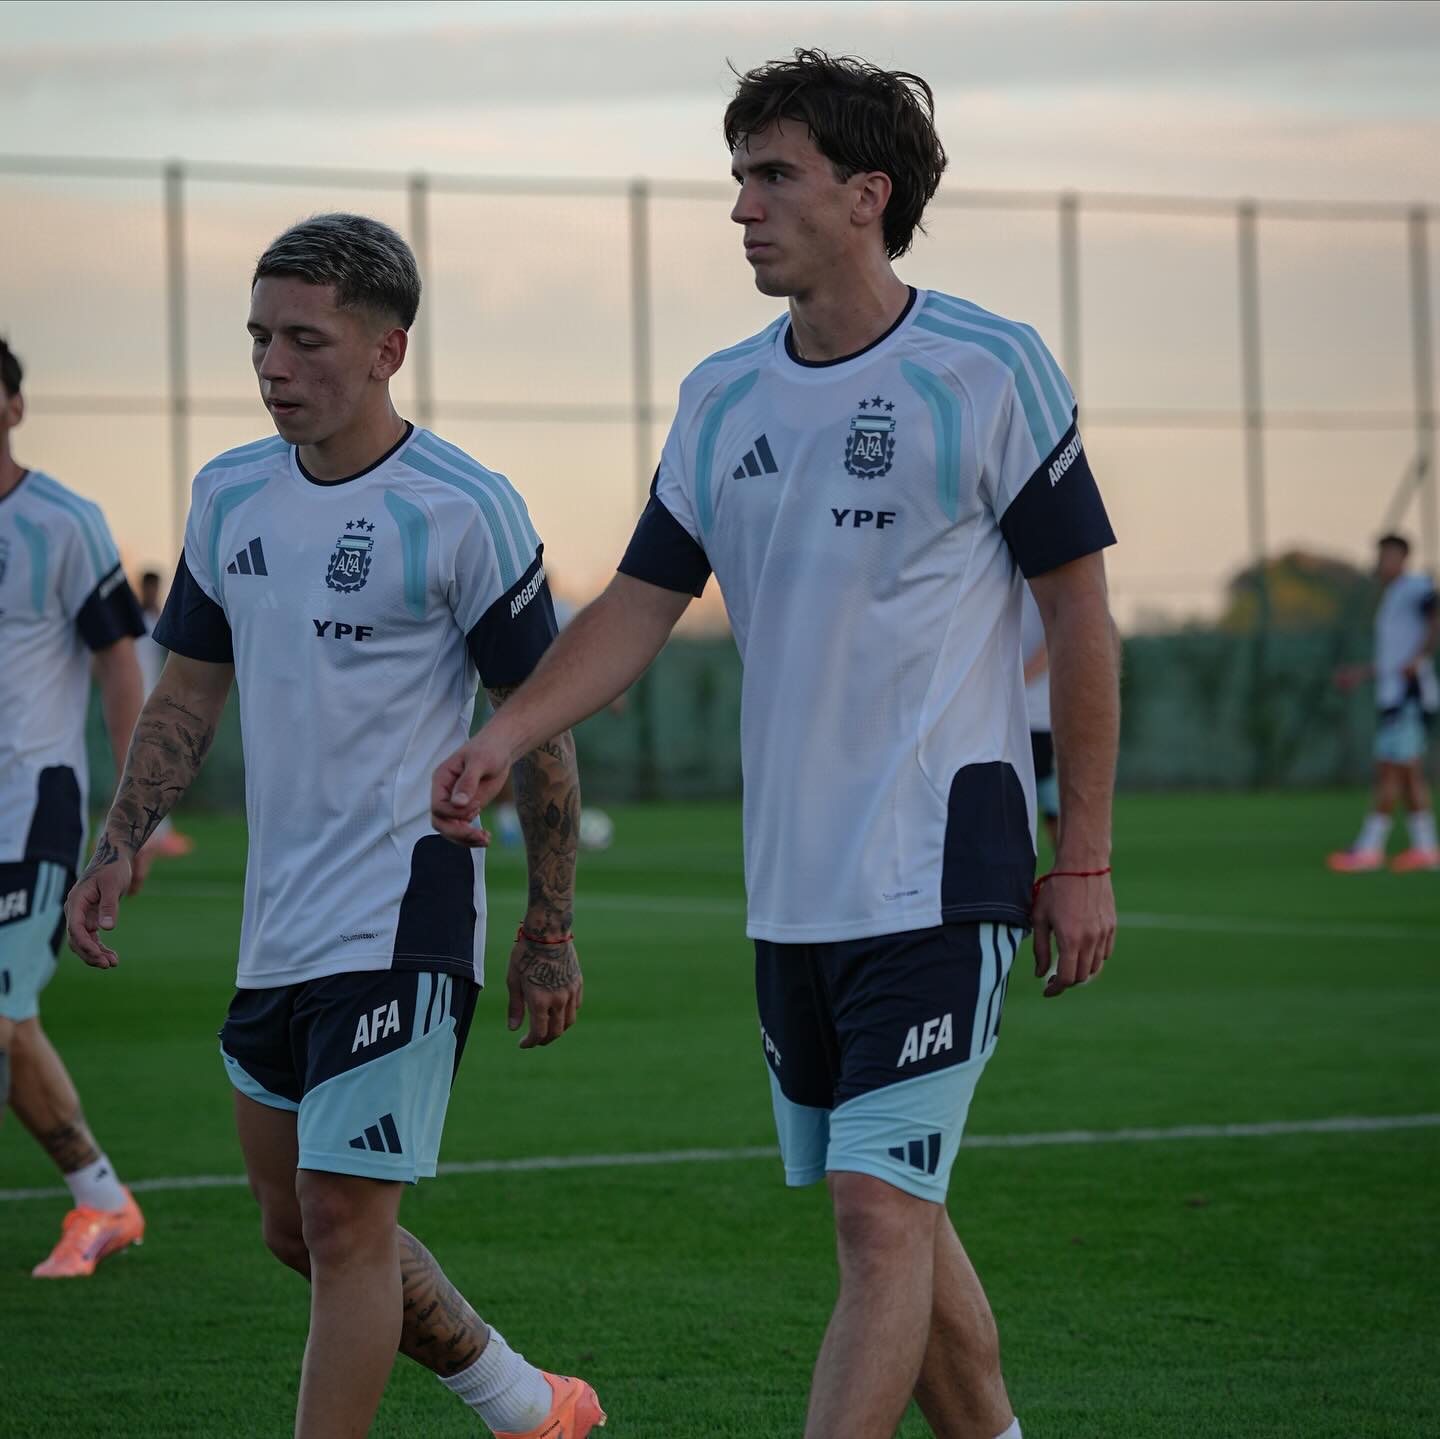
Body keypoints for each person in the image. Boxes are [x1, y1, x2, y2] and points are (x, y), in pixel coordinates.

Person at [432, 51, 1120, 1439]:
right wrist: (505, 728)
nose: (742, 206)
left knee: (877, 1217)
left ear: (868, 195)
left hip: (944, 864)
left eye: (773, 175)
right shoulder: (719, 397)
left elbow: (1081, 614)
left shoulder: (986, 367)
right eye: (737, 176)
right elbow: (637, 606)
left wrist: (1085, 853)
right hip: (792, 888)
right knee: (897, 1212)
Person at [65, 216, 605, 1439]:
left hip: (406, 909)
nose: (274, 365)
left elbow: (542, 725)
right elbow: (190, 688)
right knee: (290, 1225)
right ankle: (522, 1401)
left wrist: (550, 921)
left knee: (344, 1217)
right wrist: (119, 841)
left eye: (306, 339)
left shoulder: (463, 507)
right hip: (280, 923)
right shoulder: (227, 495)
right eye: (260, 336)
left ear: (385, 349)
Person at [0, 335, 149, 1277]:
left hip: (32, 805)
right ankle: (101, 1199)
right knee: (12, 1023)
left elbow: (119, 666)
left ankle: (102, 1202)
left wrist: (132, 819)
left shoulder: (62, 523)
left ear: (14, 406)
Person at [1328, 533, 1439, 872]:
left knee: (1390, 770)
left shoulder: (1414, 587)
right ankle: (1425, 848)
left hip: (1409, 695)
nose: (1380, 563)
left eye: (1386, 556)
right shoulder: (1392, 596)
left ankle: (1369, 848)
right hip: (1396, 694)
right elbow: (1395, 657)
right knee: (1406, 775)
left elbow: (1436, 617)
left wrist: (1418, 659)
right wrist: (1362, 673)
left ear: (1402, 557)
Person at [134, 568, 194, 859]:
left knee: (157, 766)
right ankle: (144, 834)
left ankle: (157, 832)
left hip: (156, 702)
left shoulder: (158, 619)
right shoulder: (132, 620)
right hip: (135, 705)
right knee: (137, 767)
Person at [1020, 582, 1059, 849]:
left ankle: (1068, 870)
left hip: (1037, 716)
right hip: (1001, 715)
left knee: (1049, 800)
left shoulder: (1045, 575)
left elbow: (1055, 638)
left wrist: (1016, 682)